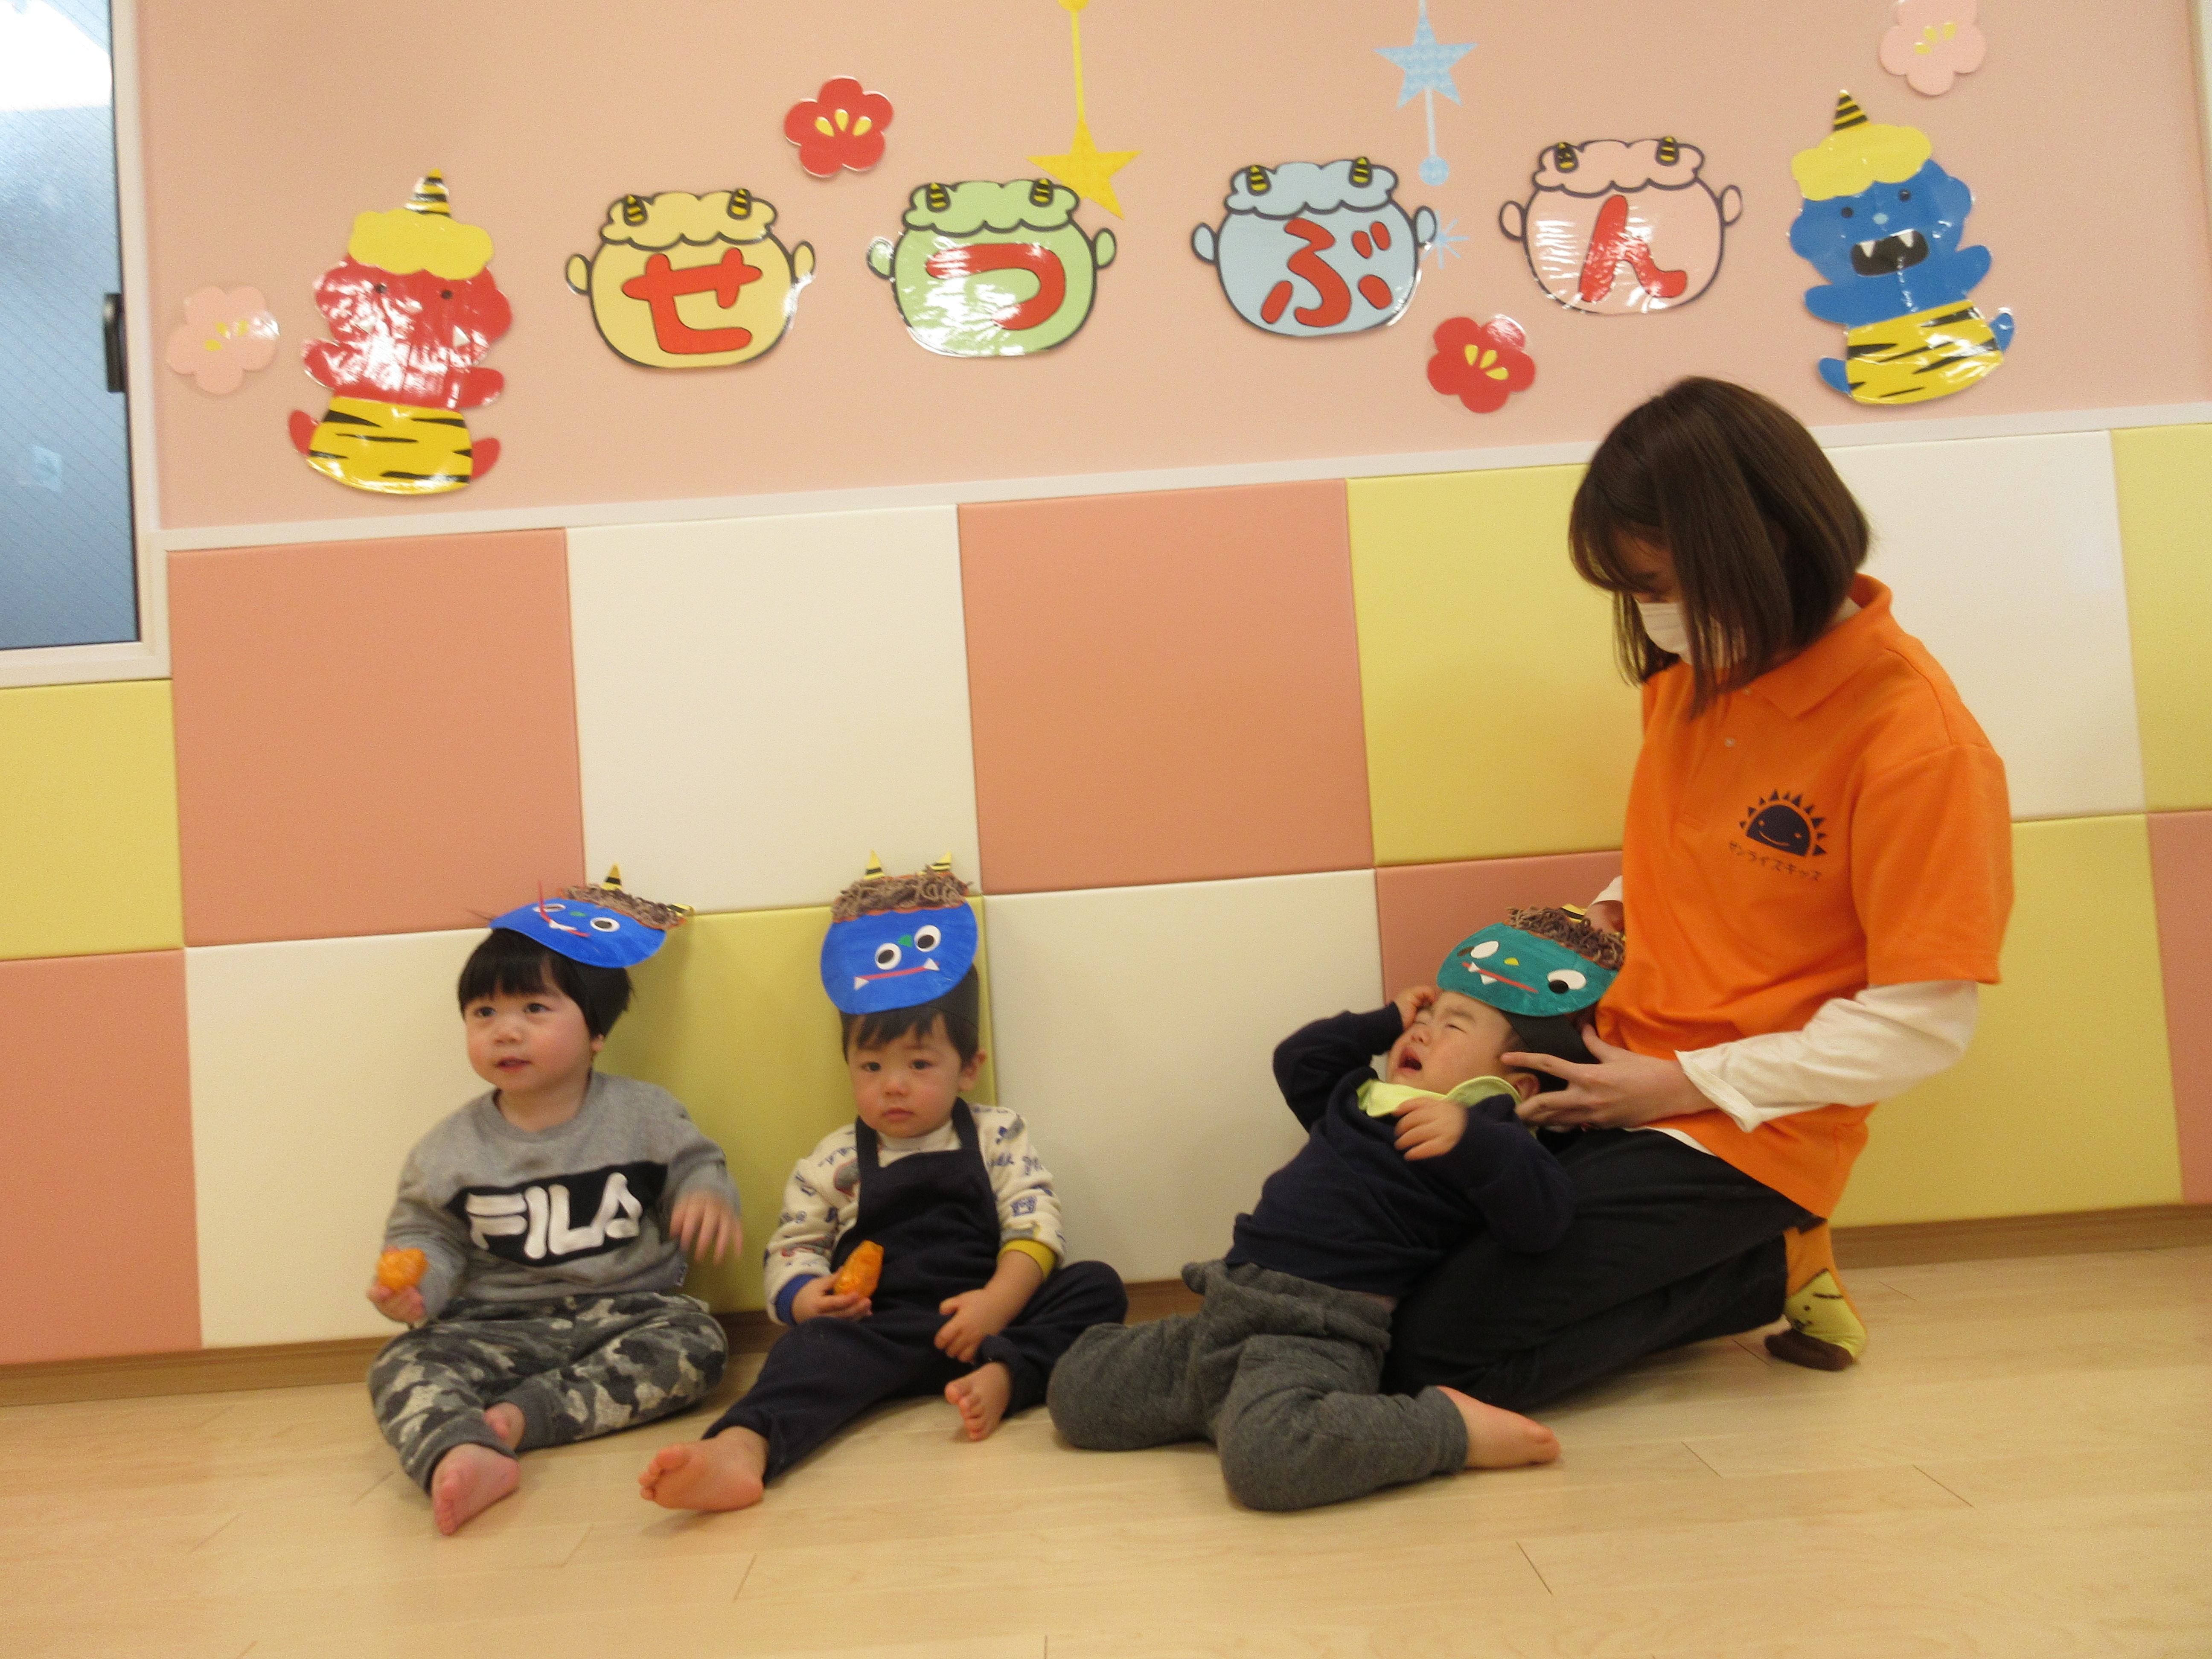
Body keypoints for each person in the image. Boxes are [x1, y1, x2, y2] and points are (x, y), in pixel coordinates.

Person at [1384, 376, 2013, 1408]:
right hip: (1613, 1057)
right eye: (1634, 592)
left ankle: (1767, 1267)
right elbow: (1687, 856)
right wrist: (1575, 941)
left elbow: (1923, 1026)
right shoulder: (1698, 677)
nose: (1651, 616)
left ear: (1769, 542)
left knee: (1431, 1356)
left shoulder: (1918, 746)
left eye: (1658, 586)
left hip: (1746, 1124)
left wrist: (1682, 1087)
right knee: (1379, 1218)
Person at [1047, 911, 1619, 1511]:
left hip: (1316, 1333)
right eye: (1423, 1021)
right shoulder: (1360, 1098)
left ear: (1518, 1084)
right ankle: (1229, 1405)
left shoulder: (1487, 1135)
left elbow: (1544, 1221)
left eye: (1453, 1026)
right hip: (1225, 1309)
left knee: (1268, 1462)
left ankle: (1449, 1429)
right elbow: (1300, 1059)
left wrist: (1472, 1136)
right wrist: (1384, 1020)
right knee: (1075, 1390)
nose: (1422, 1033)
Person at [639, 860, 1126, 1513]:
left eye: (919, 1064)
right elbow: (795, 1246)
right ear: (848, 1064)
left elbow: (1035, 1224)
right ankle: (741, 1448)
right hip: (880, 1332)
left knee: (1096, 1286)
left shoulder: (996, 1134)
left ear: (968, 1069)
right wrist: (805, 1298)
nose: (893, 1085)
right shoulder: (834, 1161)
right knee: (802, 1352)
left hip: (988, 1321)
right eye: (870, 1066)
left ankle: (1008, 1377)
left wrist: (996, 1305)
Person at [367, 877, 739, 1535]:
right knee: (400, 1366)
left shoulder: (644, 1114)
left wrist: (705, 1194)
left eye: (534, 1009)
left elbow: (695, 1163)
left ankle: (520, 1420)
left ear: (596, 1031)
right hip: (493, 1326)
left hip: (627, 1313)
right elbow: (427, 1234)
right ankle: (460, 1451)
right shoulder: (448, 1149)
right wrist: (419, 1284)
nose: (506, 1031)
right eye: (484, 1013)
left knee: (699, 1344)